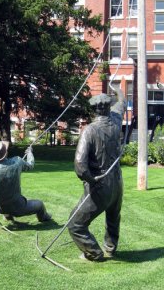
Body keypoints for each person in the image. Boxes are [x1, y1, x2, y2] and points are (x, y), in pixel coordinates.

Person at [68, 89, 126, 262]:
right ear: (108, 107)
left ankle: (95, 253)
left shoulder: (89, 131)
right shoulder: (116, 120)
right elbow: (122, 103)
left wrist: (91, 179)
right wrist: (118, 91)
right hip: (117, 181)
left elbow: (80, 165)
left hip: (100, 184)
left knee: (75, 224)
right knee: (113, 217)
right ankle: (111, 247)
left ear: (94, 110)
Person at [0, 140, 52, 222]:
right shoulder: (17, 161)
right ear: (6, 153)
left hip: (0, 208)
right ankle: (44, 218)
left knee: (5, 202)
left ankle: (8, 215)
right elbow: (30, 165)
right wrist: (29, 153)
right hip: (18, 207)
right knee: (40, 204)